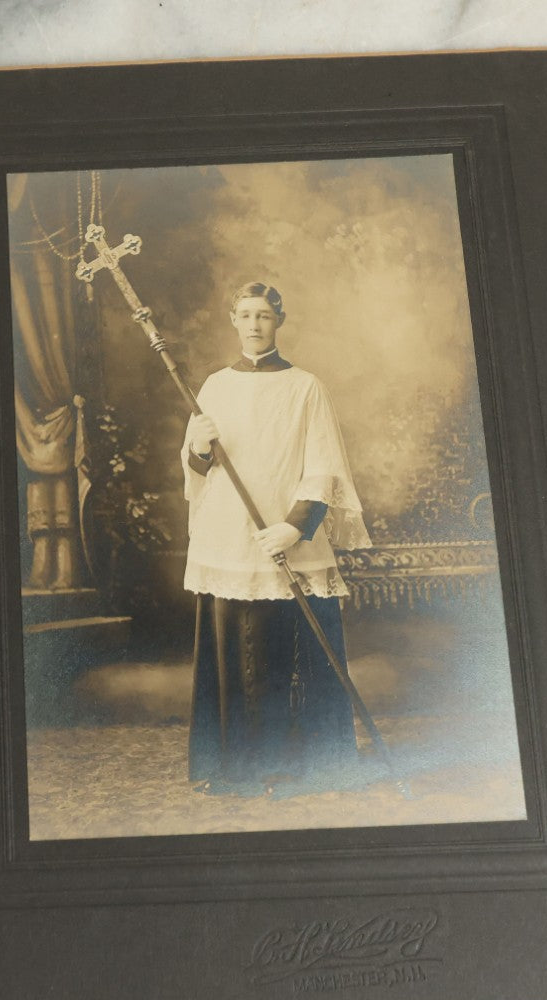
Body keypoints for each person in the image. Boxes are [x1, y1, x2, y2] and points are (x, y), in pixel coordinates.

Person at [181, 282, 371, 792]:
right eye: (245, 315)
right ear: (233, 320)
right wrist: (199, 449)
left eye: (263, 315)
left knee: (288, 653)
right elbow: (198, 472)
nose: (254, 325)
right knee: (233, 651)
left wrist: (294, 526)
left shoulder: (306, 387)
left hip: (287, 538)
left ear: (279, 321)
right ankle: (233, 767)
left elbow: (324, 464)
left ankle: (294, 765)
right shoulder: (214, 385)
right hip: (230, 537)